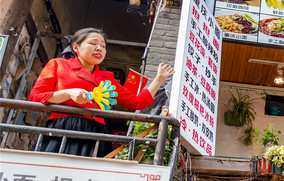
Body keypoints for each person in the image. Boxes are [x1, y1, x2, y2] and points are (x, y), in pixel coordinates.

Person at [29, 27, 175, 157]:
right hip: (63, 127)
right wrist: (68, 94)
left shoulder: (107, 78)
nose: (99, 48)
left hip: (95, 132)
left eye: (103, 46)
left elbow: (136, 102)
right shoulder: (58, 65)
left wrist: (159, 78)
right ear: (76, 47)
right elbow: (35, 97)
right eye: (93, 44)